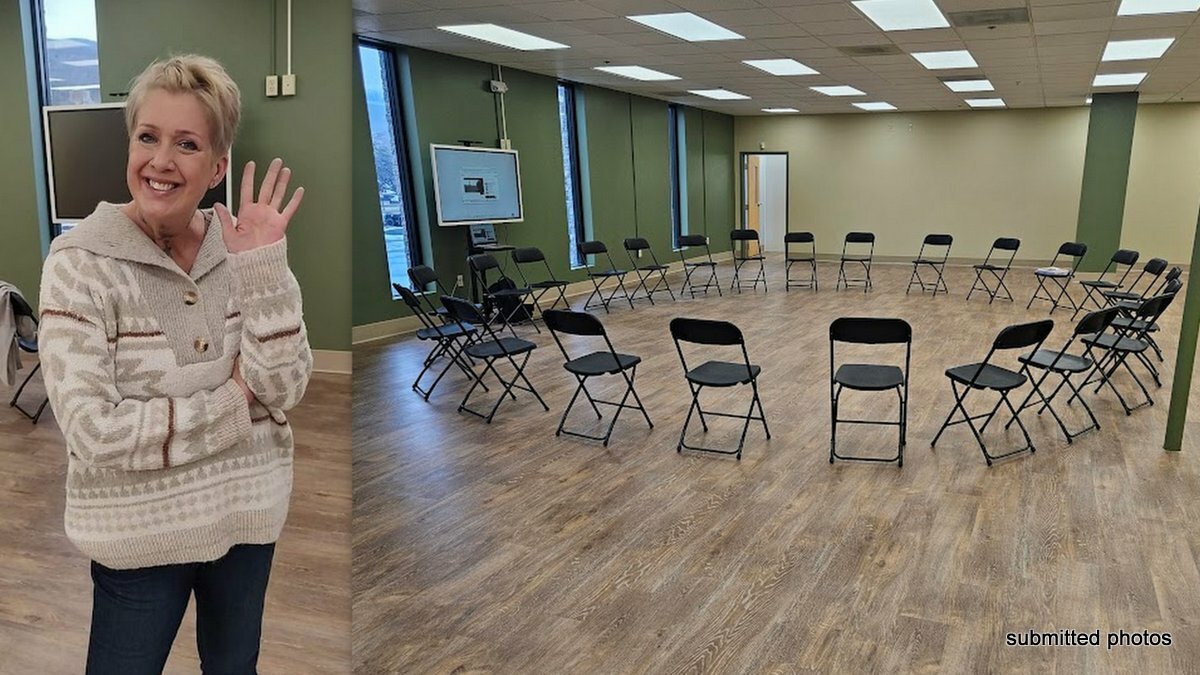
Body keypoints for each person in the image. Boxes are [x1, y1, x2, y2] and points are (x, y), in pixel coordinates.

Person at [37, 54, 312, 674]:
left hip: (246, 515)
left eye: (186, 144)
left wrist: (263, 269)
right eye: (147, 137)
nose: (160, 161)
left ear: (217, 167)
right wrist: (235, 400)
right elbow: (94, 431)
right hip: (138, 536)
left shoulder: (244, 250)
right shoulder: (78, 265)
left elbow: (286, 386)